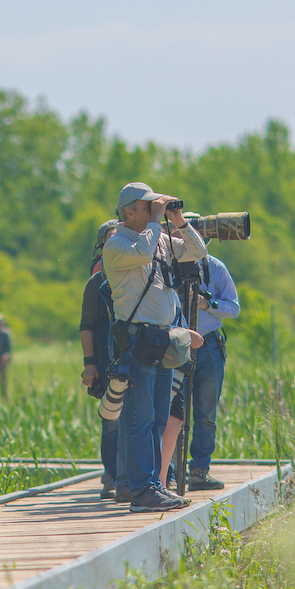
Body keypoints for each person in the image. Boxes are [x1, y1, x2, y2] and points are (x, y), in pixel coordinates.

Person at [102, 182, 207, 512]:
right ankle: (141, 490)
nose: (154, 211)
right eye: (147, 207)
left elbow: (198, 252)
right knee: (140, 418)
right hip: (136, 341)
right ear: (128, 211)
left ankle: (154, 486)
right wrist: (156, 220)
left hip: (163, 340)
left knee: (158, 418)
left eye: (154, 206)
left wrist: (179, 221)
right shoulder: (116, 244)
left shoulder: (159, 238)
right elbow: (143, 253)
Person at [158, 215, 241, 491]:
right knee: (169, 411)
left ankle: (199, 470)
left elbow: (234, 307)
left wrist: (207, 303)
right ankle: (165, 474)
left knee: (205, 412)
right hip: (176, 343)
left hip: (208, 344)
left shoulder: (214, 267)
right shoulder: (165, 265)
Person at [79, 220, 121, 499]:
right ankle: (112, 475)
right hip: (107, 360)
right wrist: (90, 364)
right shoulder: (97, 281)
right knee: (112, 419)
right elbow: (87, 325)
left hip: (139, 356)